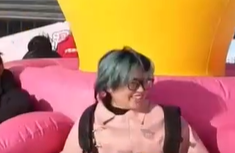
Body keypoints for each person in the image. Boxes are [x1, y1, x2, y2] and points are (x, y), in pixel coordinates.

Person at [60, 47, 209, 153]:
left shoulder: (170, 120)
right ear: (109, 86)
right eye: (133, 83)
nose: (142, 90)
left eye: (147, 82)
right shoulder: (88, 122)